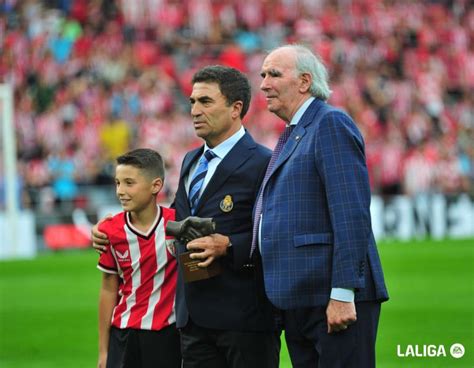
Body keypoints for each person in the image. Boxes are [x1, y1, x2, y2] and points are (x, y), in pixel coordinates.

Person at [93, 66, 280, 368]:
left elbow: (276, 231)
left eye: (205, 102)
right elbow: (178, 220)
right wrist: (109, 228)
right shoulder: (192, 160)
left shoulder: (263, 162)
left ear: (236, 108)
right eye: (192, 101)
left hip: (245, 320)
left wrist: (229, 245)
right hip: (192, 319)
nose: (194, 110)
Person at [253, 44, 389, 367]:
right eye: (262, 75)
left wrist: (343, 293)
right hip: (301, 300)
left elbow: (351, 212)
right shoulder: (295, 132)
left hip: (332, 300)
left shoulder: (329, 124)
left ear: (304, 82)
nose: (263, 84)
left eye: (274, 74)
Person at [97, 148, 181, 368]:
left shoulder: (177, 224)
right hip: (123, 334)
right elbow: (107, 289)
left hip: (167, 334)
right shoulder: (111, 230)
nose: (120, 191)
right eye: (117, 183)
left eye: (129, 183)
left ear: (156, 186)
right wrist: (103, 351)